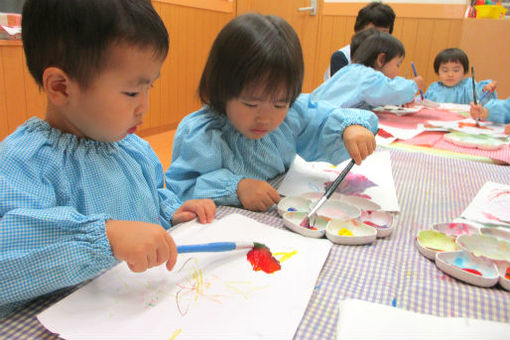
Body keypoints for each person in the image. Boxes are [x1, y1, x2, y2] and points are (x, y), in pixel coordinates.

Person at [0, 0, 215, 316]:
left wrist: (173, 212)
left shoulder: (132, 149)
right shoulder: (24, 162)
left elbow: (150, 198)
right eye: (131, 93)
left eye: (149, 88)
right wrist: (104, 237)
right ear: (60, 86)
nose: (144, 107)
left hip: (141, 310)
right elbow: (8, 257)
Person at [165, 13, 378, 212]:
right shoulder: (204, 133)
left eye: (279, 104)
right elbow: (184, 188)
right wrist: (237, 187)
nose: (266, 118)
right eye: (251, 104)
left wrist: (350, 128)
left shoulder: (292, 113)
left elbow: (319, 119)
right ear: (222, 89)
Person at [312, 30, 423, 110]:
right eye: (397, 65)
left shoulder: (351, 70)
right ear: (381, 60)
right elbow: (395, 91)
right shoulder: (368, 77)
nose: (398, 71)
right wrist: (414, 84)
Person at [324, 1, 395, 80]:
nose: (377, 39)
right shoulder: (342, 56)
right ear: (358, 31)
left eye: (383, 34)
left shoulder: (389, 58)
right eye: (372, 32)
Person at [424, 48, 497, 104]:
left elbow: (479, 97)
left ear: (464, 71)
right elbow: (423, 102)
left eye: (456, 70)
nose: (450, 74)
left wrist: (484, 89)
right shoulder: (433, 88)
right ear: (437, 71)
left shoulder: (469, 86)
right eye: (445, 70)